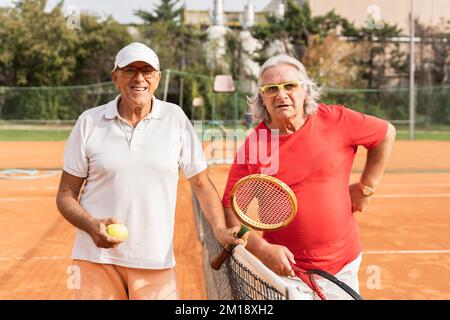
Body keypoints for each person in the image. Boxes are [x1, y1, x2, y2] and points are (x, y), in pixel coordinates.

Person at [56, 42, 243, 300]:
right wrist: (91, 225)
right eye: (130, 70)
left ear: (158, 77)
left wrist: (220, 229)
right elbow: (66, 194)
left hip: (155, 261)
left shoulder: (175, 118)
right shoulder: (89, 121)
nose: (139, 78)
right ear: (115, 77)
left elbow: (200, 182)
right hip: (95, 260)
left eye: (147, 71)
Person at [222, 54, 396, 299]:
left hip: (343, 266)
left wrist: (367, 187)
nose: (281, 95)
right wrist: (262, 249)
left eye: (290, 86)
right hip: (284, 273)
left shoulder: (336, 120)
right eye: (271, 89)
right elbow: (231, 207)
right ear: (262, 97)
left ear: (305, 90)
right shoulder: (256, 145)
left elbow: (385, 133)